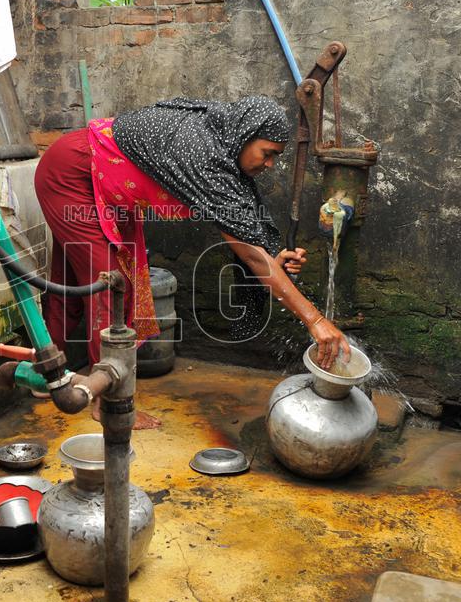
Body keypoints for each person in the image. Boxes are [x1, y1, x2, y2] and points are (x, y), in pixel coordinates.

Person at [34, 96, 351, 420]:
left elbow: (246, 232)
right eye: (267, 153)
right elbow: (252, 257)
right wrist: (314, 320)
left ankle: (45, 377)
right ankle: (110, 404)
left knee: (70, 285)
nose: (270, 165)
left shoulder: (221, 147)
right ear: (245, 136)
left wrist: (273, 255)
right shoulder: (205, 158)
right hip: (73, 176)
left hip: (102, 184)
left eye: (275, 156)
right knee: (109, 287)